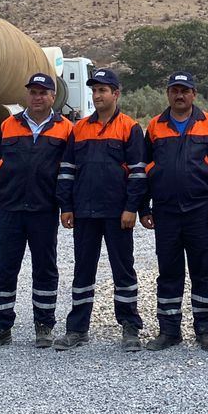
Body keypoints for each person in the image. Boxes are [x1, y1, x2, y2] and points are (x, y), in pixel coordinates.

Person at [0, 74, 73, 351]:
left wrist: (66, 206)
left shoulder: (65, 129)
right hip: (11, 209)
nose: (37, 97)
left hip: (44, 210)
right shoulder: (9, 125)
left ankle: (44, 326)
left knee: (45, 269)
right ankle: (1, 326)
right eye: (33, 92)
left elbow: (68, 172)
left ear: (53, 96)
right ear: (27, 95)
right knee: (5, 268)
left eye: (43, 92)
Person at [54, 68, 146, 352]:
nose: (97, 96)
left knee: (123, 270)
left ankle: (130, 327)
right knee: (83, 271)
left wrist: (132, 208)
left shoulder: (130, 128)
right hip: (84, 212)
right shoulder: (79, 128)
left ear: (116, 94)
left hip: (118, 214)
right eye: (94, 91)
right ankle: (77, 329)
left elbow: (138, 173)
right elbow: (67, 170)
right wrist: (66, 206)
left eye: (102, 90)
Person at [140, 71, 208, 352]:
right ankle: (169, 331)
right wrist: (144, 207)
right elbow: (143, 169)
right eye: (174, 90)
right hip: (166, 211)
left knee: (202, 271)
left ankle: (205, 330)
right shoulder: (155, 126)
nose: (179, 95)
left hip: (200, 211)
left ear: (194, 94)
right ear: (168, 93)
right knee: (168, 271)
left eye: (185, 90)